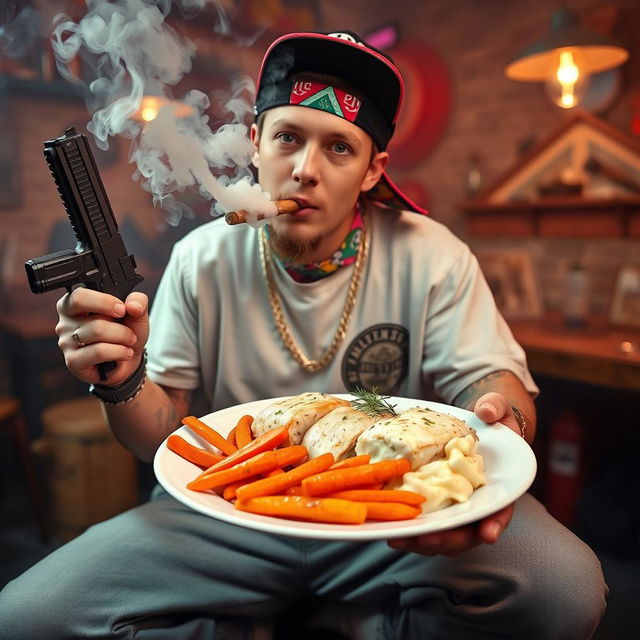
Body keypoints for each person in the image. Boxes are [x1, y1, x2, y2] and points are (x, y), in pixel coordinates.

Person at [0, 31, 606, 639]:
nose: (306, 170)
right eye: (288, 137)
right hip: (233, 513)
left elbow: (496, 384)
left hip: (391, 521)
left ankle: (310, 620)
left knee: (563, 588)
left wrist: (501, 425)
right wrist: (123, 377)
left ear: (373, 171)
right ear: (257, 145)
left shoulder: (435, 256)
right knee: (29, 616)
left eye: (339, 148)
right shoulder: (199, 258)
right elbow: (161, 434)